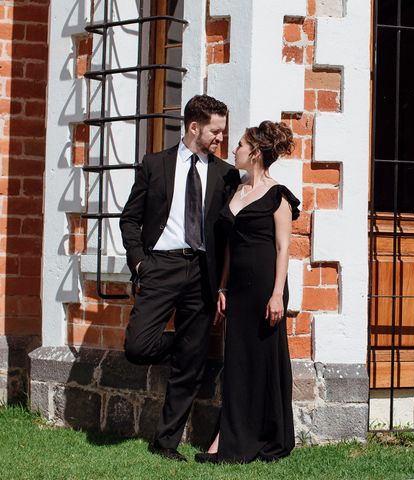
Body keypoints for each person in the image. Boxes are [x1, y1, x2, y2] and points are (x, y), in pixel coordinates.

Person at [119, 95, 240, 462]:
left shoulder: (225, 174)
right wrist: (140, 263)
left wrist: (223, 284)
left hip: (202, 271)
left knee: (191, 362)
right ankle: (185, 343)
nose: (220, 138)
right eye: (215, 131)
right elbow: (130, 219)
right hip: (161, 266)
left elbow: (232, 232)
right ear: (193, 127)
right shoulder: (155, 164)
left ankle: (166, 442)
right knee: (138, 347)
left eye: (222, 131)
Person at [195, 120, 299, 464]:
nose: (234, 149)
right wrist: (223, 285)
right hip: (237, 291)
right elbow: (228, 246)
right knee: (237, 364)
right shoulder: (236, 190)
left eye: (240, 144)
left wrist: (276, 296)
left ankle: (249, 436)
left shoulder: (278, 195)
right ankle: (229, 435)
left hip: (265, 291)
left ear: (254, 153)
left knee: (260, 363)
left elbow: (284, 248)